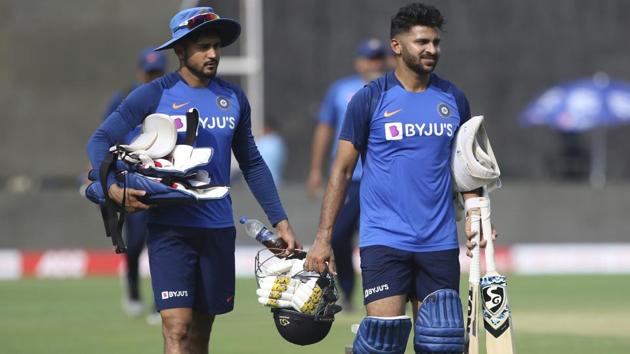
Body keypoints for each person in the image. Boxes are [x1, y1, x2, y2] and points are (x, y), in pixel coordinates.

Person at [87, 7, 300, 354]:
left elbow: (253, 163)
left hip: (216, 228)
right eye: (203, 46)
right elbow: (99, 141)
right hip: (170, 230)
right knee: (177, 330)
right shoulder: (153, 94)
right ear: (180, 50)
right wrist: (111, 186)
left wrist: (281, 220)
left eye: (216, 46)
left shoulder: (233, 98)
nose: (213, 53)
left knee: (200, 337)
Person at [304, 3, 491, 353]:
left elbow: (468, 166)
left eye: (435, 42)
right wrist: (323, 238)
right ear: (397, 46)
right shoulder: (369, 99)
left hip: (439, 242)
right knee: (383, 344)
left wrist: (476, 214)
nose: (431, 50)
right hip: (385, 240)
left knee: (441, 345)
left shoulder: (454, 98)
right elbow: (341, 170)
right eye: (422, 41)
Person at [306, 38, 386, 311]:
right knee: (338, 237)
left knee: (385, 239)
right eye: (369, 59)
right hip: (350, 179)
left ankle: (389, 293)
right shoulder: (341, 90)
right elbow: (325, 129)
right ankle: (349, 293)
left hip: (383, 179)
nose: (373, 64)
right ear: (358, 62)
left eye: (378, 59)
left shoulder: (393, 89)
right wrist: (316, 169)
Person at [102, 48, 167, 322]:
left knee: (161, 242)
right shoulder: (124, 98)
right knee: (136, 241)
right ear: (141, 72)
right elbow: (104, 135)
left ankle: (159, 302)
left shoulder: (169, 99)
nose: (152, 77)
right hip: (129, 178)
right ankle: (132, 290)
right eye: (148, 72)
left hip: (162, 178)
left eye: (157, 73)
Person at [256, 118, 287, 186]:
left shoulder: (260, 142)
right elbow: (282, 162)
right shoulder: (279, 142)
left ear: (266, 128)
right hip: (276, 181)